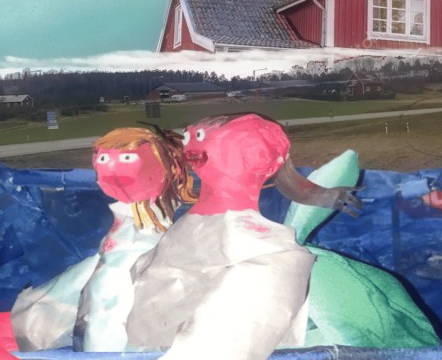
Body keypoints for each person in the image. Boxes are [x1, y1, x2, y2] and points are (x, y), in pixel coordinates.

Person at [126, 113, 363, 360]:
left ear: (265, 159)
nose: (194, 145)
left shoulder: (274, 258)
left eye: (205, 137)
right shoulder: (181, 234)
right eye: (190, 137)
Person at [5, 126, 196, 352]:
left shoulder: (146, 239)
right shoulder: (131, 225)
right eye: (103, 159)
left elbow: (110, 305)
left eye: (126, 158)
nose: (109, 170)